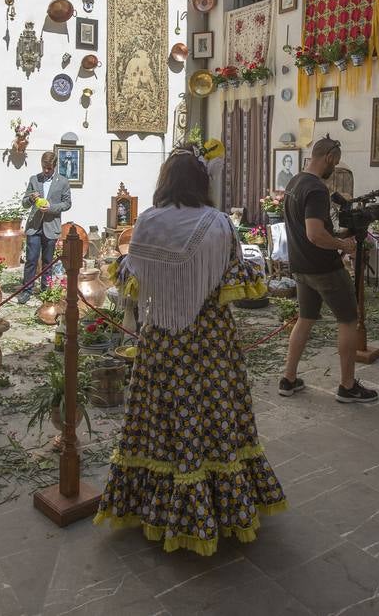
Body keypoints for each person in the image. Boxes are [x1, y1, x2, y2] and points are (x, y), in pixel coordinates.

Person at [95, 148, 285, 554]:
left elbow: (131, 277)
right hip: (210, 339)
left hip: (161, 337)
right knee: (215, 412)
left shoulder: (147, 221)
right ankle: (219, 506)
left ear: (165, 180)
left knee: (158, 413)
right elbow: (239, 279)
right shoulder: (218, 224)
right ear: (202, 182)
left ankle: (155, 505)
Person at [278, 138, 379, 403]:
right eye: (335, 161)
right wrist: (343, 245)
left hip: (300, 266)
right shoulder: (317, 188)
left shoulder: (294, 183)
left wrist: (339, 235)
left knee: (306, 318)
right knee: (348, 320)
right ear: (330, 157)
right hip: (323, 268)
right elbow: (314, 234)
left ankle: (288, 378)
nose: (334, 167)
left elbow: (306, 228)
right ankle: (347, 386)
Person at [15, 151, 72, 304]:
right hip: (34, 226)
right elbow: (24, 203)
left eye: (48, 168)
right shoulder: (35, 179)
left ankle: (45, 290)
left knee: (48, 261)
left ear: (54, 166)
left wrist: (51, 207)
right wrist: (31, 199)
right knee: (31, 259)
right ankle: (27, 290)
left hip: (51, 226)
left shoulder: (63, 182)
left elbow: (67, 204)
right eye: (44, 167)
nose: (46, 171)